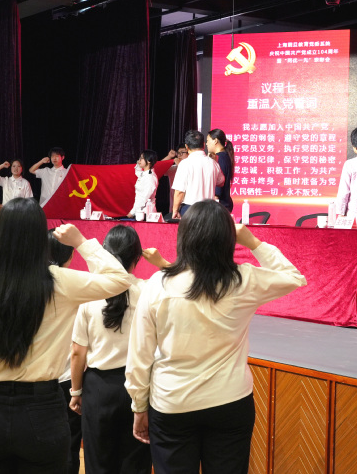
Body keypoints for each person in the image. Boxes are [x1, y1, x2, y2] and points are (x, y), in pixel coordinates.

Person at [125, 200, 307, 474]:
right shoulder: (243, 280)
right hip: (230, 400)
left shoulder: (157, 285)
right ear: (228, 240)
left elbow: (139, 354)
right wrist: (253, 242)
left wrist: (139, 405)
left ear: (184, 237)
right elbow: (293, 277)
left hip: (172, 401)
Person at [0, 197, 131, 473]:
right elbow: (120, 279)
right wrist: (81, 242)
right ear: (40, 237)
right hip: (42, 410)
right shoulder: (59, 281)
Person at [70, 225, 162, 474]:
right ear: (137, 258)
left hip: (98, 389)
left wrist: (76, 391)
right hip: (139, 386)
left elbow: (78, 351)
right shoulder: (148, 291)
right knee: (136, 462)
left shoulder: (90, 293)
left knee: (98, 463)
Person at [47, 229, 81, 474]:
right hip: (68, 377)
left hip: (38, 378)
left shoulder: (27, 281)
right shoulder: (78, 284)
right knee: (69, 444)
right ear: (70, 256)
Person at [171, 131, 224, 219]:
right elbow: (221, 182)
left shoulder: (185, 164)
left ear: (186, 146)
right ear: (203, 145)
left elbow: (179, 191)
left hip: (190, 209)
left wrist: (175, 210)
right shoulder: (213, 163)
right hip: (209, 210)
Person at [207, 129, 235, 212]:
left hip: (219, 206)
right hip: (223, 205)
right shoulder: (224, 156)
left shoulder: (220, 158)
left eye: (208, 141)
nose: (206, 144)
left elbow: (217, 187)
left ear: (215, 141)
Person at [128, 150, 159, 218]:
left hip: (146, 213)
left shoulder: (150, 177)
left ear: (148, 161)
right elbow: (137, 171)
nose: (139, 160)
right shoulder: (144, 174)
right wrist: (138, 163)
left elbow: (144, 198)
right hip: (140, 211)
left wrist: (132, 212)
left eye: (141, 158)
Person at [165, 146, 188, 212]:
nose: (179, 155)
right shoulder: (173, 168)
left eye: (182, 153)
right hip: (174, 206)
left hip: (187, 205)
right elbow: (158, 169)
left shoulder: (191, 167)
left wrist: (180, 165)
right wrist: (169, 157)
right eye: (178, 153)